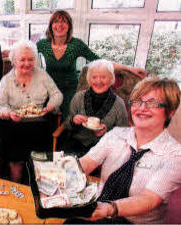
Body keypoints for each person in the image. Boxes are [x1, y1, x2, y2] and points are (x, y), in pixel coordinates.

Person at [75, 77, 181, 223]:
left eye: (152, 103)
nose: (142, 108)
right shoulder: (116, 134)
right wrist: (61, 174)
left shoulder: (175, 155)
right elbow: (86, 163)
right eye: (137, 101)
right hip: (96, 211)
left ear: (170, 112)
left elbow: (149, 199)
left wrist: (109, 208)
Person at [37, 10, 147, 120]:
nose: (59, 25)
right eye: (56, 21)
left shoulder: (76, 44)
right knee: (42, 114)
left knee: (70, 118)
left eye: (64, 21)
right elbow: (28, 57)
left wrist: (129, 68)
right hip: (50, 88)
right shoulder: (43, 44)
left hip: (69, 89)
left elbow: (101, 62)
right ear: (51, 25)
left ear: (69, 26)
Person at [0, 40, 63, 183]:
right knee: (16, 161)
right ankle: (17, 185)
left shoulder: (42, 75)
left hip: (39, 124)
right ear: (13, 60)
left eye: (31, 59)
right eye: (22, 59)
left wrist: (50, 106)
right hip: (14, 125)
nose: (27, 63)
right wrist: (9, 114)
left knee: (40, 163)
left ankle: (40, 186)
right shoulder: (6, 80)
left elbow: (58, 95)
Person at [62, 59, 128, 157]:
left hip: (104, 149)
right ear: (89, 79)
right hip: (76, 144)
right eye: (94, 77)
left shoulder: (119, 104)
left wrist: (108, 132)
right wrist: (73, 121)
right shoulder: (78, 97)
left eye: (103, 77)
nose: (98, 81)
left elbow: (123, 133)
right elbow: (67, 125)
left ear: (111, 79)